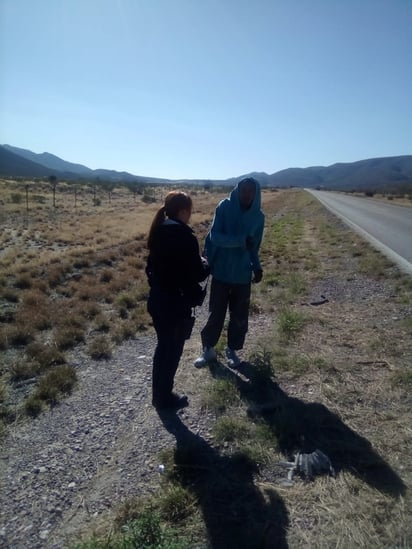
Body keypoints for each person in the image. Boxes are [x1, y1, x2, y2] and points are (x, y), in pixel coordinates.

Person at [146, 191, 209, 410]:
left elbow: (151, 268)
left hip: (157, 300)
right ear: (183, 211)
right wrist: (207, 264)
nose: (190, 215)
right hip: (175, 304)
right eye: (189, 210)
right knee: (172, 352)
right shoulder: (185, 236)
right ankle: (164, 399)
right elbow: (196, 274)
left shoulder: (157, 232)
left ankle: (159, 396)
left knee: (163, 348)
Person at [194, 177, 264, 368]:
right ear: (237, 190)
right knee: (215, 314)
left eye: (251, 191)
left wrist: (256, 267)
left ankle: (232, 350)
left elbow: (253, 247)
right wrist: (240, 240)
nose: (247, 194)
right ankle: (208, 349)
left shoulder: (259, 217)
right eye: (244, 190)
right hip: (222, 272)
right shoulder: (224, 207)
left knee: (239, 316)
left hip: (242, 275)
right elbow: (215, 236)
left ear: (256, 193)